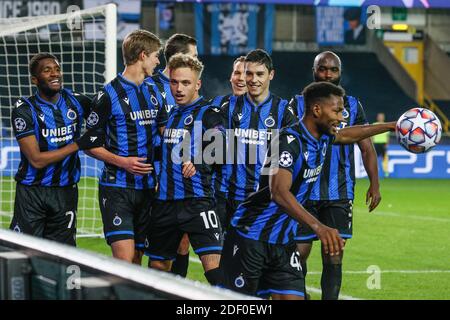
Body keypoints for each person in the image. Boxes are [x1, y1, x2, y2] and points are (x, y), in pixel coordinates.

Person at [220, 81, 396, 299]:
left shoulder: (322, 137)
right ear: (316, 110)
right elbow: (279, 192)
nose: (341, 117)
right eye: (337, 111)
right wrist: (319, 227)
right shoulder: (287, 141)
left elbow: (350, 134)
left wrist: (390, 126)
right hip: (251, 237)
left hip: (282, 242)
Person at [290, 51, 380, 300]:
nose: (328, 74)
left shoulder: (352, 105)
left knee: (334, 253)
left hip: (338, 191)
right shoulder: (297, 104)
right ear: (314, 70)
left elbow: (366, 146)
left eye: (333, 70)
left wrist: (375, 183)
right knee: (298, 253)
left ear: (340, 72)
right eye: (322, 69)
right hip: (303, 192)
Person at [83, 30, 166, 264]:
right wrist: (123, 162)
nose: (158, 61)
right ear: (142, 55)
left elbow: (163, 134)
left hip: (149, 187)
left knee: (138, 258)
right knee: (124, 260)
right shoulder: (107, 95)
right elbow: (89, 144)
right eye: (155, 56)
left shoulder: (155, 92)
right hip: (117, 188)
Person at [146, 53, 224, 286]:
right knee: (158, 267)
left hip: (197, 203)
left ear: (197, 84)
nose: (178, 88)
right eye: (174, 82)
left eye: (186, 83)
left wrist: (200, 158)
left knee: (215, 271)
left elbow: (221, 141)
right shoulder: (171, 115)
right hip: (165, 204)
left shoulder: (210, 114)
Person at [9, 53, 103, 245]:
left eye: (57, 69)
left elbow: (106, 116)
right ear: (35, 80)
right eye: (47, 70)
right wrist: (78, 144)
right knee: (24, 251)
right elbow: (36, 159)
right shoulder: (25, 109)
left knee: (63, 254)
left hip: (65, 191)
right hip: (32, 192)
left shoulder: (75, 101)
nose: (55, 74)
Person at [220, 49, 297, 232]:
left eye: (260, 74)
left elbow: (295, 153)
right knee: (225, 258)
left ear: (271, 75)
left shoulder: (284, 111)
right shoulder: (228, 108)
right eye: (249, 73)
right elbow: (212, 146)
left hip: (265, 199)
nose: (254, 80)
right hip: (228, 198)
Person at [145, 33, 198, 277]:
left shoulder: (189, 86)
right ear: (179, 57)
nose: (197, 61)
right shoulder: (150, 87)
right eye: (193, 56)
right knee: (159, 252)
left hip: (183, 177)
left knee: (183, 241)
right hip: (156, 177)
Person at [210, 56, 246, 232]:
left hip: (251, 196)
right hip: (220, 194)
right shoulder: (216, 105)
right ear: (231, 77)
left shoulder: (269, 111)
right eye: (237, 72)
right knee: (218, 253)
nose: (240, 78)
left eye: (246, 74)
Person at [372, 112, 390, 177]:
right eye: (379, 116)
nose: (380, 117)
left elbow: (387, 136)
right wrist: (372, 143)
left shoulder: (386, 125)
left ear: (383, 117)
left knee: (384, 158)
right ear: (377, 117)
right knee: (374, 158)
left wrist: (387, 144)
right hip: (375, 143)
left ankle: (386, 172)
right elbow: (372, 135)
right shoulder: (374, 124)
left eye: (381, 116)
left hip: (383, 144)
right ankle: (373, 172)